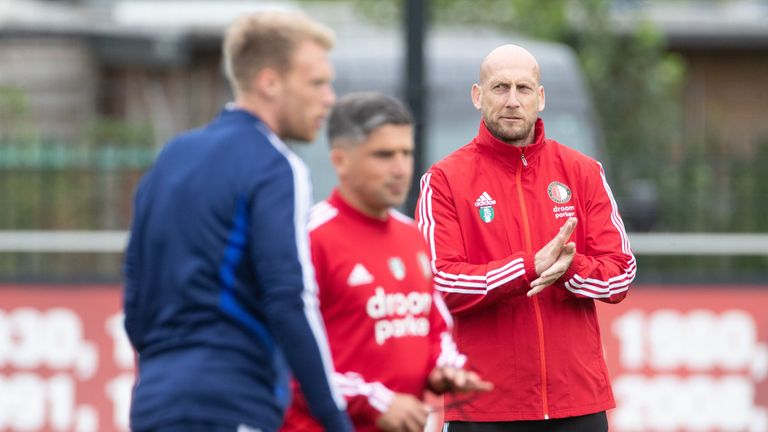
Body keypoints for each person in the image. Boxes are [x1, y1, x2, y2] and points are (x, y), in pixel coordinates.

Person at [122, 11, 353, 432]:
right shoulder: (275, 165)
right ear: (270, 82)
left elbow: (134, 298)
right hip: (231, 401)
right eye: (317, 82)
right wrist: (335, 419)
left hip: (153, 403)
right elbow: (288, 299)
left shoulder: (171, 157)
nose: (330, 98)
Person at [415, 44, 636, 431]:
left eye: (524, 88)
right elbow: (439, 283)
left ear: (541, 97)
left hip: (578, 402)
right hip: (485, 406)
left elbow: (619, 274)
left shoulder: (583, 171)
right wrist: (528, 269)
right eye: (500, 87)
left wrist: (569, 269)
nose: (513, 100)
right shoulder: (445, 179)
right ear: (477, 95)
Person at [280, 92, 492, 432]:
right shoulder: (308, 239)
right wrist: (376, 401)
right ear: (340, 160)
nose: (400, 168)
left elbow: (435, 328)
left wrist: (444, 367)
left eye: (406, 153)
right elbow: (288, 361)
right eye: (383, 155)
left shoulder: (412, 236)